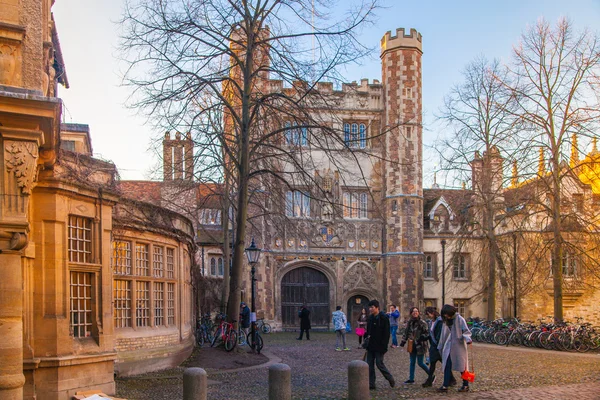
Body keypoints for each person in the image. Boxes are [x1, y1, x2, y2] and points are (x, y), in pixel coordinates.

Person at [437, 304, 472, 392]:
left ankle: (465, 385)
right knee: (447, 365)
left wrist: (467, 339)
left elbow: (466, 330)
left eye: (446, 314)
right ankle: (445, 385)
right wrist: (441, 345)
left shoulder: (460, 319)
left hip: (458, 345)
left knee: (462, 366)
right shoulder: (446, 321)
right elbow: (443, 334)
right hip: (448, 346)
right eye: (444, 314)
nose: (445, 316)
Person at [364, 299, 395, 390]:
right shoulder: (370, 318)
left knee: (379, 363)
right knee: (369, 365)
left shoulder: (383, 318)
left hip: (380, 345)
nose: (370, 309)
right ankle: (371, 383)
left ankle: (390, 378)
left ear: (377, 308)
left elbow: (386, 333)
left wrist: (384, 346)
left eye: (372, 307)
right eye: (369, 307)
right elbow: (368, 331)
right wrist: (365, 336)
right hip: (371, 345)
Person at [400, 307, 430, 384]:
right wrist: (403, 341)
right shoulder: (409, 322)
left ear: (418, 312)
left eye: (416, 311)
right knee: (412, 362)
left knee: (420, 363)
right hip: (411, 344)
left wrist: (422, 338)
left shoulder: (422, 322)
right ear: (411, 313)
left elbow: (427, 333)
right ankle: (411, 379)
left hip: (420, 345)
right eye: (413, 311)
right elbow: (406, 332)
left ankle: (431, 375)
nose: (415, 313)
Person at [423, 306, 451, 387]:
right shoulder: (431, 322)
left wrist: (437, 344)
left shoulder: (440, 322)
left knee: (443, 363)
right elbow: (431, 333)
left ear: (433, 313)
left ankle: (430, 380)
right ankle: (430, 380)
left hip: (438, 346)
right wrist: (426, 337)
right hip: (434, 345)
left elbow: (439, 335)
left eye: (428, 314)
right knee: (434, 363)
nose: (428, 316)